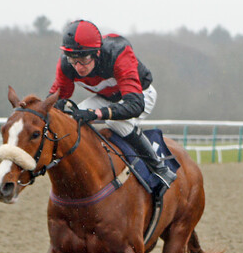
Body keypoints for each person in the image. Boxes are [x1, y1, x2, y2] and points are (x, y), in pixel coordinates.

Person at [49, 19, 175, 192]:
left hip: (141, 95)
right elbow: (56, 96)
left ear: (97, 53)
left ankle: (159, 167)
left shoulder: (118, 53)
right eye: (73, 60)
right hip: (107, 98)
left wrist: (97, 114)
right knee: (71, 120)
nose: (78, 67)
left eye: (84, 59)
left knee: (115, 122)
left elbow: (134, 105)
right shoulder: (67, 64)